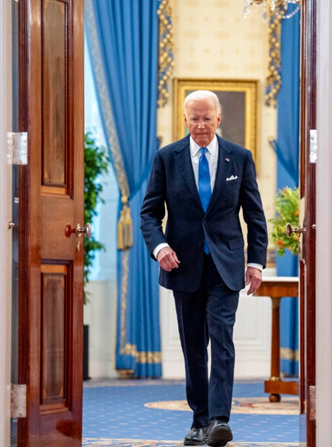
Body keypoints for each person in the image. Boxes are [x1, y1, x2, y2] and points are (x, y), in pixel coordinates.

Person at [140, 90, 268, 446]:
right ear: (184, 119)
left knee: (222, 339)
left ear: (218, 119)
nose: (200, 125)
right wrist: (160, 246)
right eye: (194, 118)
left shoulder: (239, 158)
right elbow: (149, 213)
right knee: (194, 345)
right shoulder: (167, 158)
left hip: (226, 266)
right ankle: (198, 421)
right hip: (184, 265)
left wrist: (256, 262)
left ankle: (219, 419)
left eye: (206, 118)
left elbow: (254, 216)